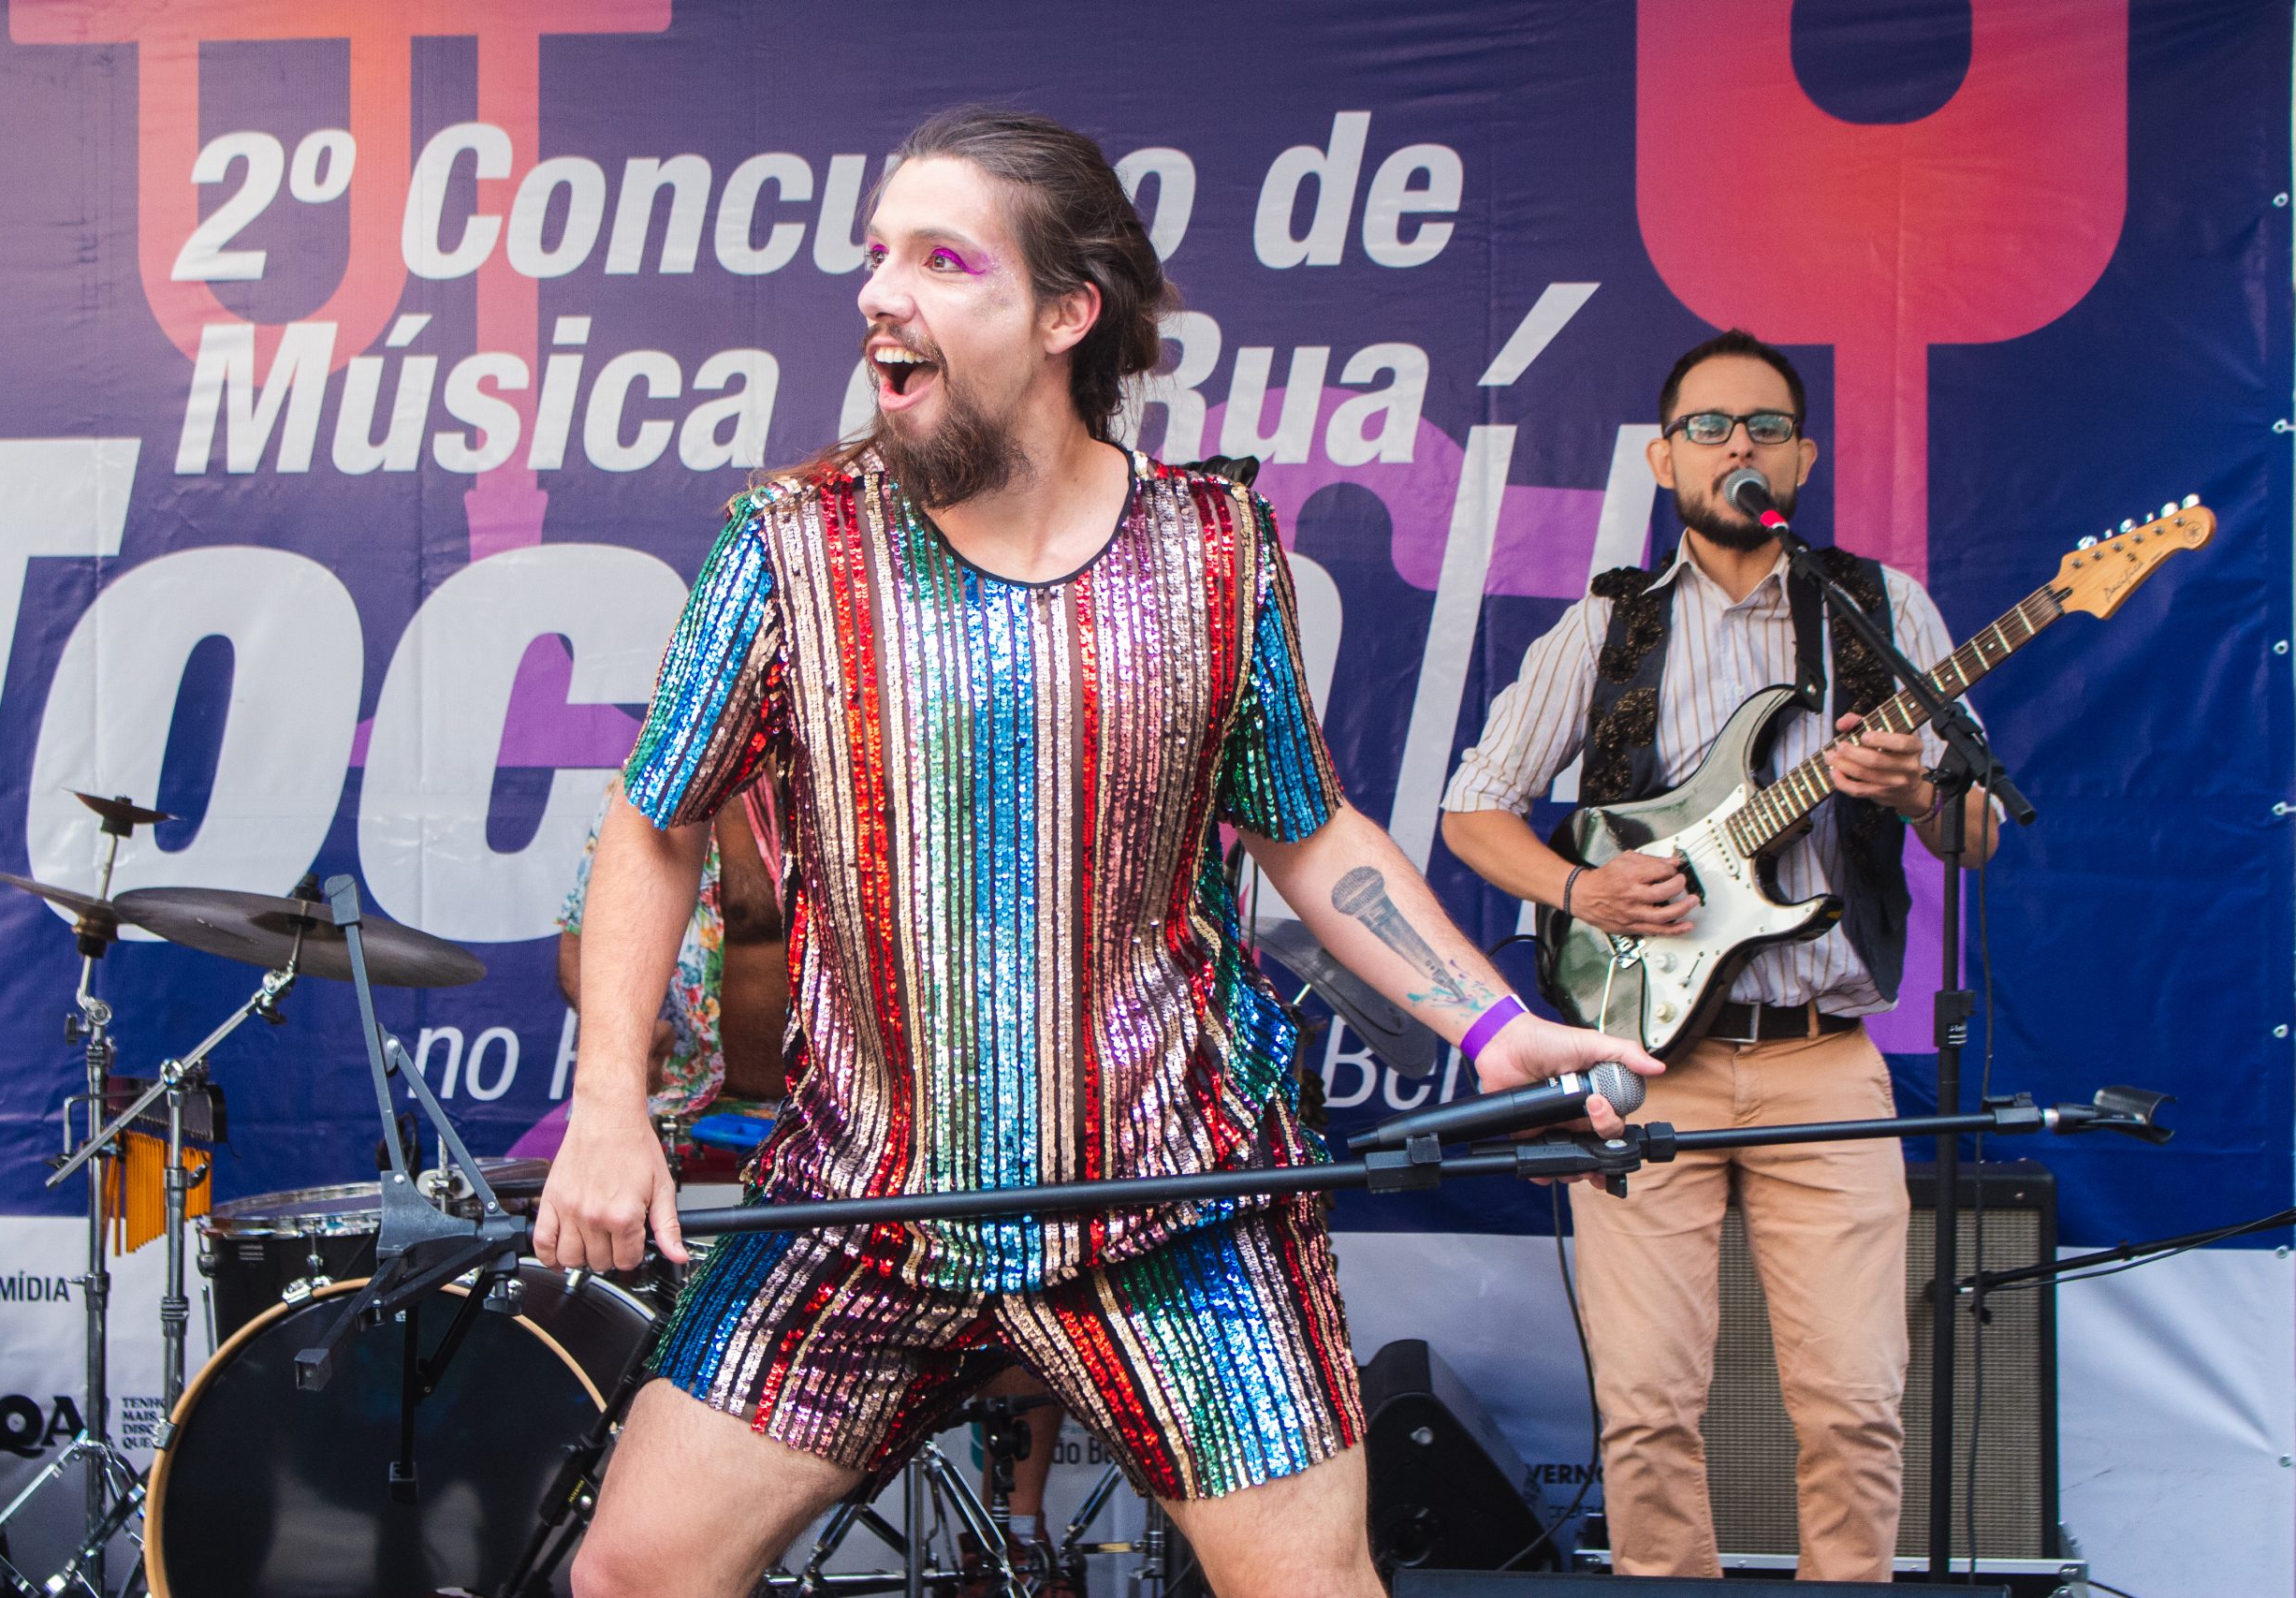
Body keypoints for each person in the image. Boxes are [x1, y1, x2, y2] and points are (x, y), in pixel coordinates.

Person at [536, 107, 1658, 1598]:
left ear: (1069, 313)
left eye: (944, 259)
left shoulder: (1213, 549)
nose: (883, 291)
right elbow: (655, 818)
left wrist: (1495, 1024)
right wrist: (608, 1100)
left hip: (1177, 1208)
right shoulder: (788, 544)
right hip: (877, 1204)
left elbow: (1308, 832)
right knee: (631, 1573)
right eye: (880, 255)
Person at [1440, 328, 1999, 1583]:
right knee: (1645, 1410)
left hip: (1823, 1061)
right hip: (1641, 1058)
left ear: (1802, 456)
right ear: (1662, 457)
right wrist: (1581, 883)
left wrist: (1916, 789)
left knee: (1856, 1404)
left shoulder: (1881, 609)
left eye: (1762, 426)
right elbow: (1473, 809)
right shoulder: (1608, 628)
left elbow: (1977, 833)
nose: (1737, 445)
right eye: (1709, 426)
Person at [556, 774, 787, 1174]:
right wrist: (628, 1037)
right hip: (692, 1111)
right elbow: (577, 949)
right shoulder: (656, 785)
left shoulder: (870, 788)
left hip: (844, 1119)